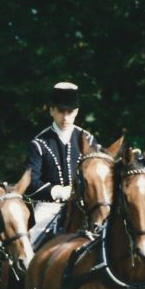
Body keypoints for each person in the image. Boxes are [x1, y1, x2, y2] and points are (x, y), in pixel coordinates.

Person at [25, 82, 97, 245]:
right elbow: (30, 185)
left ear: (76, 112)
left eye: (69, 112)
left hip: (84, 210)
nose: (65, 117)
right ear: (52, 110)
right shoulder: (39, 143)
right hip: (49, 208)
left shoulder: (89, 140)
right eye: (60, 111)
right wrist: (57, 191)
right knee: (31, 244)